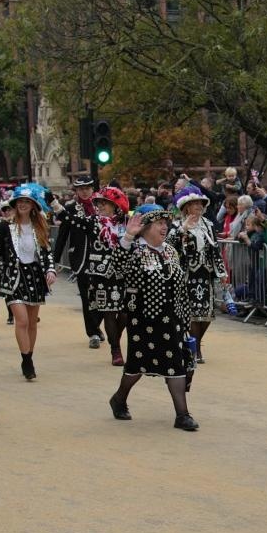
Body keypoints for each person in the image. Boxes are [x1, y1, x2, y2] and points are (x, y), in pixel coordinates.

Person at [107, 205, 198, 430]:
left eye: (165, 223)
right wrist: (128, 237)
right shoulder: (134, 251)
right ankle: (119, 398)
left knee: (175, 364)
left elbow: (180, 286)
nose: (164, 227)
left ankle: (182, 415)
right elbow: (116, 268)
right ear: (146, 228)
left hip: (173, 319)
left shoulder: (170, 251)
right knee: (137, 366)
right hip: (144, 320)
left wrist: (185, 318)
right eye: (159, 223)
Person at [0, 184, 57, 382]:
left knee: (31, 322)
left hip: (34, 276)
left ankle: (29, 354)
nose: (23, 205)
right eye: (20, 201)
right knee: (21, 320)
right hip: (13, 276)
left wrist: (50, 270)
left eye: (27, 202)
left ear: (33, 206)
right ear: (14, 204)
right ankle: (26, 360)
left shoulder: (40, 227)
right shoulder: (5, 227)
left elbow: (47, 252)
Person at [170, 187, 225, 363]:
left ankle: (195, 344)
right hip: (187, 274)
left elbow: (215, 250)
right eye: (195, 204)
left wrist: (221, 272)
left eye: (200, 203)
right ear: (186, 207)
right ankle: (195, 350)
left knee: (206, 314)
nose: (199, 206)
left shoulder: (208, 225)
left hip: (206, 274)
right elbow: (170, 247)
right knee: (193, 314)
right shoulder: (178, 225)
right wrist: (182, 230)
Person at [52, 174, 105, 348]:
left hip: (102, 257)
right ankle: (93, 332)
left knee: (103, 294)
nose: (84, 192)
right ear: (76, 191)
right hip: (80, 258)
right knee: (86, 296)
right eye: (81, 189)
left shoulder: (101, 206)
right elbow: (62, 236)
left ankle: (96, 324)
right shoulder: (70, 208)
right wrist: (54, 261)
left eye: (87, 188)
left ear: (92, 189)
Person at [86, 187, 134, 367]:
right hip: (102, 275)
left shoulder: (126, 222)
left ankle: (115, 337)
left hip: (125, 273)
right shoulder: (93, 222)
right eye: (98, 203)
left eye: (104, 203)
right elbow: (71, 221)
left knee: (125, 313)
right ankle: (116, 350)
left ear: (115, 205)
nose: (100, 206)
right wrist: (55, 204)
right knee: (109, 311)